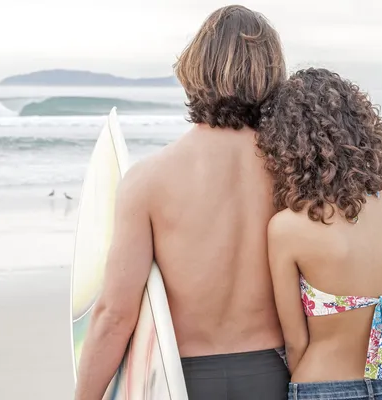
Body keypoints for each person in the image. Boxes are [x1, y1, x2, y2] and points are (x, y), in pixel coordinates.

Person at [74, 5, 290, 400]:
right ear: (271, 76)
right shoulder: (297, 174)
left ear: (194, 70)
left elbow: (115, 315)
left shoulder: (150, 179)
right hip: (276, 373)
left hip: (182, 379)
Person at [256, 68, 382, 400]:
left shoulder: (288, 227)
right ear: (362, 127)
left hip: (323, 386)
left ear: (287, 146)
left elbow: (296, 342)